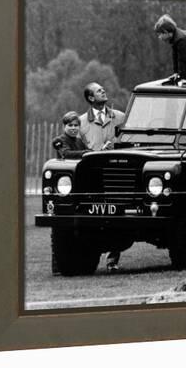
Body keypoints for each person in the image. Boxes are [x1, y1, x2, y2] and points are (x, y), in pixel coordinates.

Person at [79, 82, 126, 272]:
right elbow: (79, 150)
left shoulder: (121, 117)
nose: (103, 91)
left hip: (118, 175)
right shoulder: (81, 122)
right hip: (93, 178)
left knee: (119, 217)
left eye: (103, 89)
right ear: (91, 98)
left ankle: (112, 259)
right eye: (99, 90)